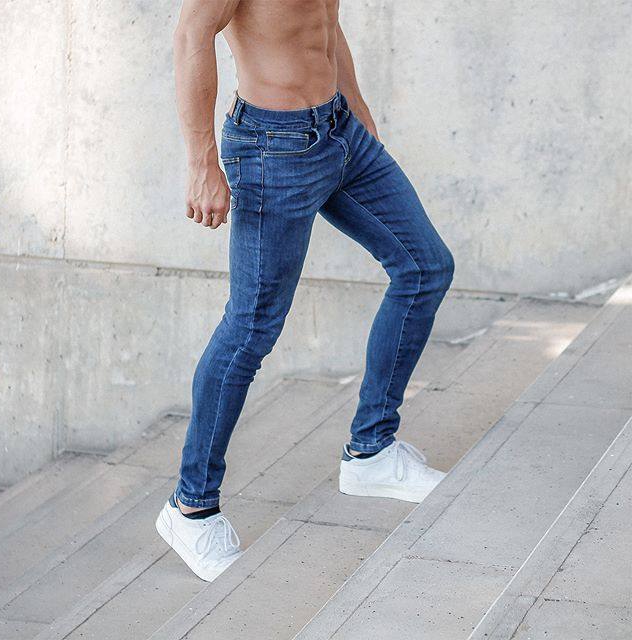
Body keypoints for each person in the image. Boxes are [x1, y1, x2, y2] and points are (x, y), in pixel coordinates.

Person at [155, 0, 455, 582]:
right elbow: (192, 33)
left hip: (339, 131)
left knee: (424, 267)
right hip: (274, 146)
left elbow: (326, 23)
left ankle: (371, 452)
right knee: (250, 329)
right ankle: (191, 507)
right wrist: (201, 162)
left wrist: (359, 114)